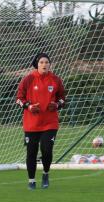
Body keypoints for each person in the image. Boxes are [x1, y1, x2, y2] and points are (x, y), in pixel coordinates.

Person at [16, 52, 66, 190]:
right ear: (37, 64)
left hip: (50, 122)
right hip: (31, 124)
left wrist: (57, 105)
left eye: (47, 62)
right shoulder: (28, 79)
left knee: (47, 150)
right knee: (31, 152)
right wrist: (29, 106)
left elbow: (62, 98)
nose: (44, 64)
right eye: (41, 62)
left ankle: (45, 173)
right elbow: (19, 99)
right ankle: (31, 180)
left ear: (50, 64)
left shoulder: (56, 80)